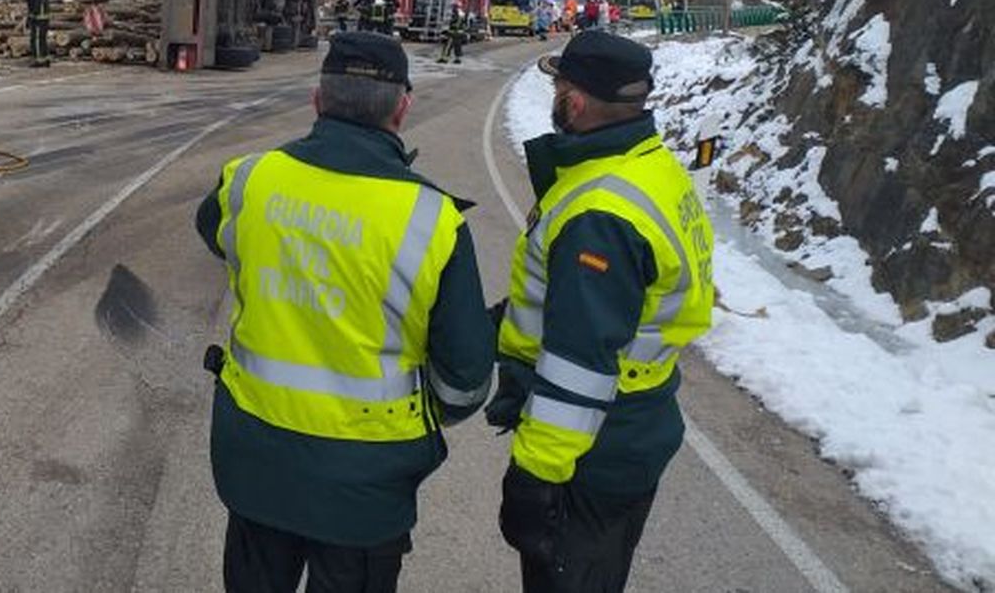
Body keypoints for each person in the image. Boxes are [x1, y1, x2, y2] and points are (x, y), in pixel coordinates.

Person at [195, 32, 497, 593]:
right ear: (402, 108)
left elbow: (214, 233)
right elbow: (463, 388)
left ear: (317, 100)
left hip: (255, 467)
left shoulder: (250, 180)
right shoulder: (433, 221)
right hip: (364, 490)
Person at [486, 30, 715, 593]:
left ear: (577, 101)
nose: (555, 95)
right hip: (638, 421)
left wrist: (536, 475)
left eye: (559, 85)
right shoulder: (649, 165)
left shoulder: (600, 213)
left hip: (594, 449)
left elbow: (581, 364)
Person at [21, 0, 51, 67]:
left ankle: (39, 60)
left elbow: (34, 5)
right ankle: (45, 58)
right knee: (42, 39)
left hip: (38, 17)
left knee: (36, 39)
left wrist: (30, 17)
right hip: (43, 17)